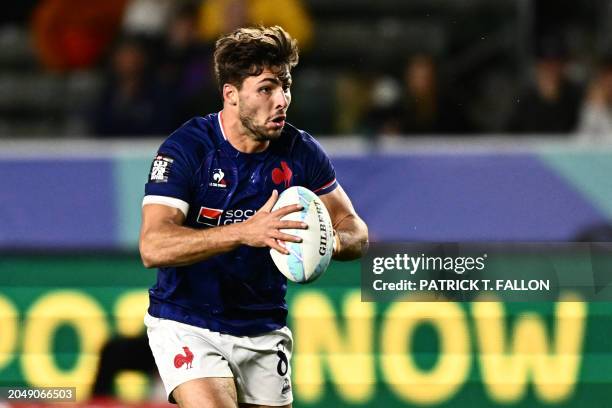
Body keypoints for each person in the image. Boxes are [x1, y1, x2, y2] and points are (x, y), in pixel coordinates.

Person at [139, 25, 368, 408]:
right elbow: (153, 245)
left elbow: (356, 232)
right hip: (188, 322)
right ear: (231, 94)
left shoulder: (300, 151)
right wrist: (244, 232)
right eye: (266, 88)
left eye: (286, 86)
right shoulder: (188, 149)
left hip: (263, 328)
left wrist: (322, 239)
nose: (281, 100)